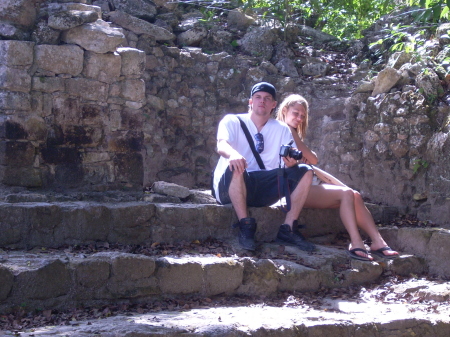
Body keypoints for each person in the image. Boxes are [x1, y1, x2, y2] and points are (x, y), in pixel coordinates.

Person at [276, 94, 399, 261]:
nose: (299, 118)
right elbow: (313, 159)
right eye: (295, 113)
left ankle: (378, 241)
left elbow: (312, 163)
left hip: (305, 184)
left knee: (354, 194)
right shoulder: (283, 129)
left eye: (302, 116)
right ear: (284, 110)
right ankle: (356, 242)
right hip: (291, 189)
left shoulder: (292, 133)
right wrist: (310, 156)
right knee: (346, 194)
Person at [212, 82, 315, 252]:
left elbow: (286, 158)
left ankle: (288, 229)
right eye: (258, 97)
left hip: (262, 188)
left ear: (273, 105)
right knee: (238, 167)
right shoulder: (232, 120)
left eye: (267, 98)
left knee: (305, 171)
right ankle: (245, 226)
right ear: (250, 101)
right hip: (229, 186)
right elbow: (221, 145)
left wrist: (291, 163)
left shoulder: (281, 129)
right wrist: (233, 154)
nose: (262, 101)